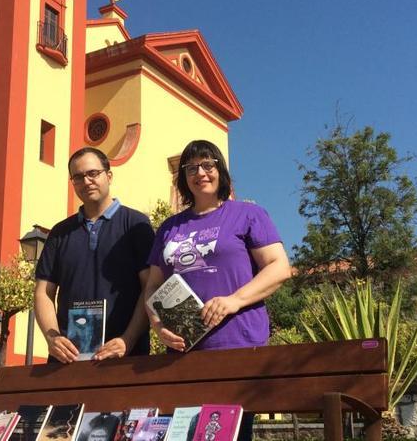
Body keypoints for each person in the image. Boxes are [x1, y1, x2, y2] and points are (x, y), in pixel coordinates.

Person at [144, 139, 291, 440]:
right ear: (184, 178)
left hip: (237, 346)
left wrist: (234, 301)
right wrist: (158, 326)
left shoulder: (248, 215)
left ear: (220, 171)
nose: (201, 172)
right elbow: (152, 287)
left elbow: (279, 267)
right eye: (191, 168)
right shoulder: (169, 228)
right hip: (182, 353)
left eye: (208, 164)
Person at [35, 147, 154, 363]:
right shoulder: (59, 233)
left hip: (126, 359)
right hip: (69, 360)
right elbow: (43, 292)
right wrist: (52, 338)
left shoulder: (137, 225)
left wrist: (128, 339)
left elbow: (150, 287)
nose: (86, 181)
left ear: (109, 175)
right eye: (78, 177)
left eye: (93, 173)